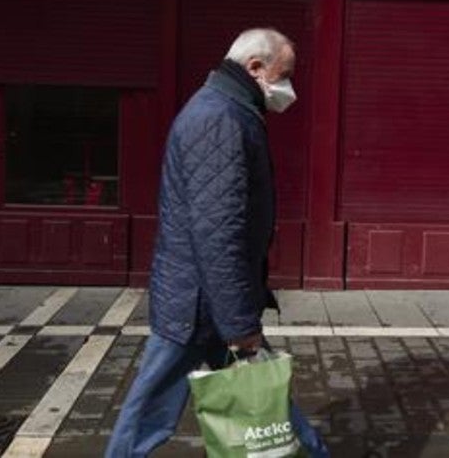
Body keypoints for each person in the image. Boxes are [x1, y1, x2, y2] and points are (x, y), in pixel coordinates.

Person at [104, 28, 329, 458]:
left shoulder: (227, 108)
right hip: (200, 304)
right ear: (255, 68)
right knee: (150, 413)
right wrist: (240, 322)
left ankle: (315, 452)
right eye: (285, 74)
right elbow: (218, 232)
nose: (289, 87)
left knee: (261, 387)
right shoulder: (219, 119)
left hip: (207, 300)